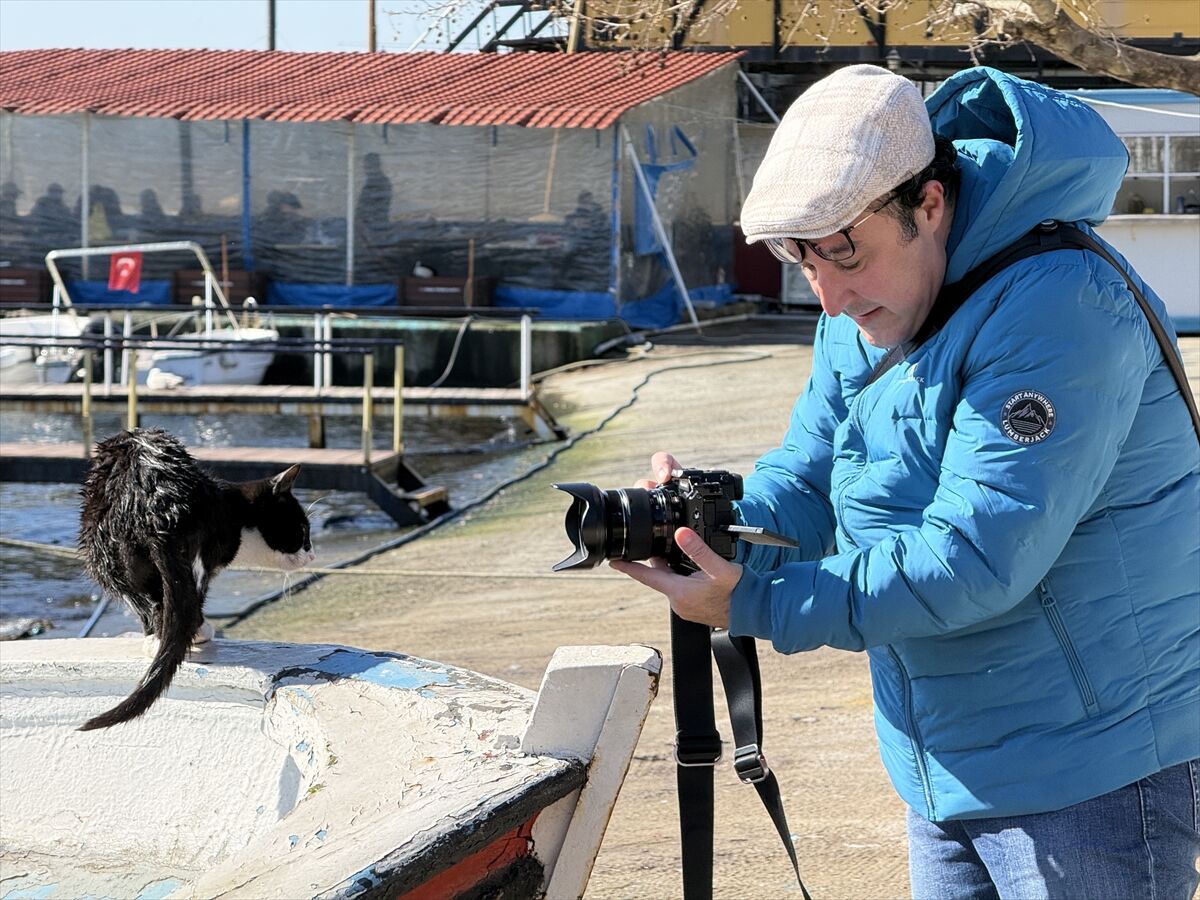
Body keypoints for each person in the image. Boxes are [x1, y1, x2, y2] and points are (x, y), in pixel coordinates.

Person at [612, 65, 1199, 899]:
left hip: (1089, 765)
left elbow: (974, 560)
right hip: (941, 759)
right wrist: (705, 525)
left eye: (846, 254)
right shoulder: (866, 310)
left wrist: (755, 604)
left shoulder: (1058, 304)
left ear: (928, 204)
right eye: (803, 260)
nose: (829, 297)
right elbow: (807, 484)